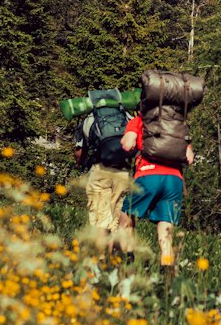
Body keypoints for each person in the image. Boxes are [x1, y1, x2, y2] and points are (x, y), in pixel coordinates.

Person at [117, 111, 194, 270]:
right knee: (165, 234)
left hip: (148, 174)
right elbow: (189, 158)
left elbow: (127, 144)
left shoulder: (139, 120)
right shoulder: (177, 124)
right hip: (174, 179)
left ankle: (127, 260)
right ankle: (167, 271)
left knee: (125, 217)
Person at [74, 107, 133, 250]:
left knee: (101, 220)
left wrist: (81, 162)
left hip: (100, 170)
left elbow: (79, 153)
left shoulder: (89, 120)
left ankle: (101, 261)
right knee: (117, 218)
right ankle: (117, 260)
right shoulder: (126, 116)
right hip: (123, 173)